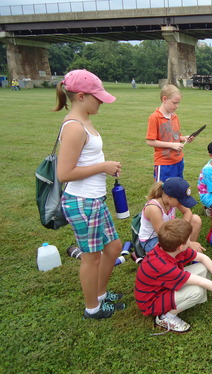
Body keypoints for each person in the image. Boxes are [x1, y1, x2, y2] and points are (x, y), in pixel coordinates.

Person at [55, 69, 124, 319]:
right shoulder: (74, 127)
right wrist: (103, 167)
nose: (102, 101)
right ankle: (92, 307)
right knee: (91, 258)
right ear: (81, 96)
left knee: (114, 247)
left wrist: (103, 167)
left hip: (95, 201)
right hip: (82, 202)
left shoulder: (85, 119)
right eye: (98, 97)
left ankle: (101, 293)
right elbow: (64, 173)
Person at [135, 218, 212, 333]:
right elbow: (200, 282)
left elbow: (203, 258)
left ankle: (190, 297)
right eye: (189, 238)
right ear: (181, 246)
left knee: (202, 267)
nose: (190, 240)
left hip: (163, 288)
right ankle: (166, 317)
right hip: (152, 302)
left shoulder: (170, 249)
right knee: (197, 291)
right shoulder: (162, 266)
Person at [139, 177, 205, 254]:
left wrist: (182, 229)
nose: (182, 203)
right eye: (181, 201)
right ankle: (184, 251)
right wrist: (188, 243)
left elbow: (188, 212)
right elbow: (164, 236)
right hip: (154, 239)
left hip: (168, 231)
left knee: (195, 219)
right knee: (167, 250)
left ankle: (188, 252)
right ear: (169, 197)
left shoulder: (172, 200)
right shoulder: (153, 208)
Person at [146, 84, 196, 182]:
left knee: (177, 188)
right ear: (164, 99)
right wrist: (172, 145)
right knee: (163, 191)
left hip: (178, 160)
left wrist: (185, 138)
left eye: (178, 103)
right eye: (174, 103)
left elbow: (176, 136)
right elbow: (150, 141)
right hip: (164, 163)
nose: (177, 106)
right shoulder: (154, 117)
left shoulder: (174, 117)